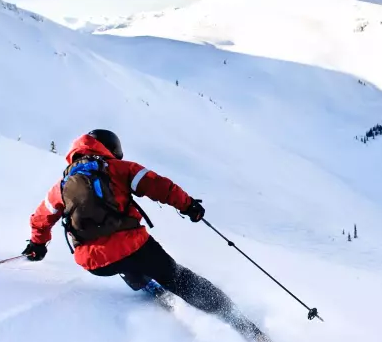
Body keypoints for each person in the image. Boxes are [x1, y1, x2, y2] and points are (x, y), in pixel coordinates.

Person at [22, 129, 238, 318]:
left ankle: (146, 285)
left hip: (95, 264)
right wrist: (188, 205)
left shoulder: (61, 186)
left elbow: (41, 219)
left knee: (121, 261)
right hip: (135, 248)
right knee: (178, 277)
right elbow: (159, 186)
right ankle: (232, 315)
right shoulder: (119, 168)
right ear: (110, 148)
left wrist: (37, 246)